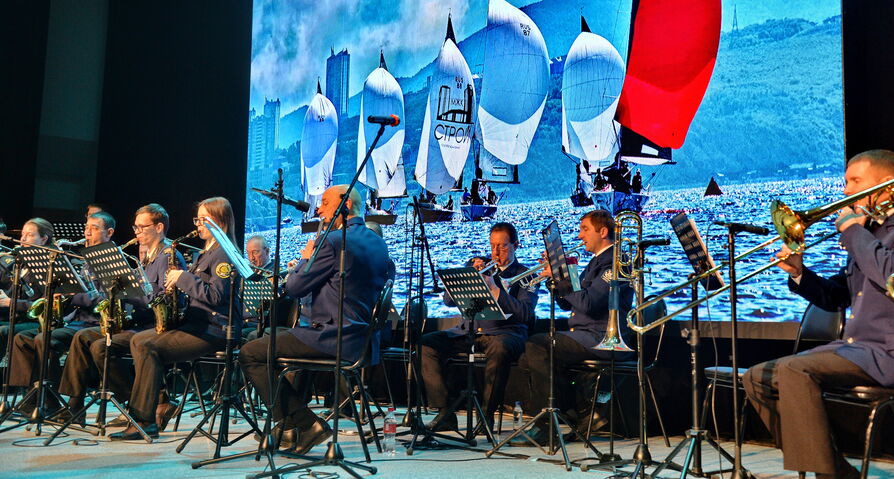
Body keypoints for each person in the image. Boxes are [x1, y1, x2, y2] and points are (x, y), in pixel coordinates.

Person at [742, 150, 894, 479]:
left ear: (887, 184)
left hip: (890, 352)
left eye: (855, 181)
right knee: (756, 377)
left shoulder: (878, 232)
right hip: (859, 349)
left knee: (795, 370)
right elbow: (836, 297)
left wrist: (853, 231)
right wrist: (799, 273)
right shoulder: (870, 232)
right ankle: (837, 472)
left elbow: (891, 276)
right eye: (846, 181)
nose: (846, 190)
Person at [239, 185, 394, 455]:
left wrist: (305, 258)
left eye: (324, 202)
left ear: (345, 206)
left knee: (250, 352)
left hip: (332, 338)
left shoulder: (332, 241)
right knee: (285, 344)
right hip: (363, 341)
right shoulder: (377, 242)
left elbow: (295, 287)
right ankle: (289, 426)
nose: (319, 209)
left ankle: (304, 423)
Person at [110, 197, 242, 440]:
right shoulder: (207, 252)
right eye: (197, 219)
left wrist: (182, 278)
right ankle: (149, 411)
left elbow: (215, 296)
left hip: (214, 329)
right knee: (139, 341)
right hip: (196, 325)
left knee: (145, 345)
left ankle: (144, 420)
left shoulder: (224, 254)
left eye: (203, 220)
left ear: (220, 221)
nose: (198, 225)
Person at [513, 209, 634, 446]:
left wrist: (562, 278)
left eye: (584, 229)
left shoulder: (617, 262)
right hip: (585, 333)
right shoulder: (596, 261)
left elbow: (588, 304)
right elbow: (569, 302)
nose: (580, 236)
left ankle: (548, 424)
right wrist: (556, 278)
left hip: (602, 336)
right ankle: (571, 414)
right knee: (528, 357)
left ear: (603, 231)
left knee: (538, 345)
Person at [58, 204, 182, 428]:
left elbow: (161, 299)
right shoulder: (148, 257)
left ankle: (137, 403)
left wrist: (128, 292)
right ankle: (74, 406)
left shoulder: (167, 256)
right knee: (83, 337)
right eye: (135, 227)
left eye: (142, 227)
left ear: (159, 227)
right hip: (136, 322)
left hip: (152, 326)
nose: (137, 232)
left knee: (100, 347)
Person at [420, 222, 537, 431]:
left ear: (516, 246)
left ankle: (486, 415)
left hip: (506, 333)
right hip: (470, 331)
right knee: (426, 344)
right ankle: (445, 411)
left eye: (502, 246)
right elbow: (448, 301)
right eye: (493, 246)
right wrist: (468, 274)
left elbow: (525, 314)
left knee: (499, 349)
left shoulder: (527, 275)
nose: (496, 252)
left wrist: (495, 288)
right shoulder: (483, 268)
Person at [9, 213, 111, 403]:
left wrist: (73, 295)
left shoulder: (109, 261)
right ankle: (29, 399)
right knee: (23, 339)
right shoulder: (86, 260)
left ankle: (52, 400)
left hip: (94, 323)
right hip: (74, 320)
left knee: (44, 339)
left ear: (109, 233)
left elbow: (103, 300)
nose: (88, 232)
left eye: (94, 228)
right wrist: (62, 295)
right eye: (86, 227)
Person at [0, 219, 50, 343]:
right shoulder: (18, 262)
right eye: (23, 234)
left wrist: (11, 303)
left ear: (43, 239)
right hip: (12, 319)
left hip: (34, 322)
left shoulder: (48, 267)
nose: (23, 239)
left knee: (2, 331)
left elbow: (45, 306)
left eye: (30, 235)